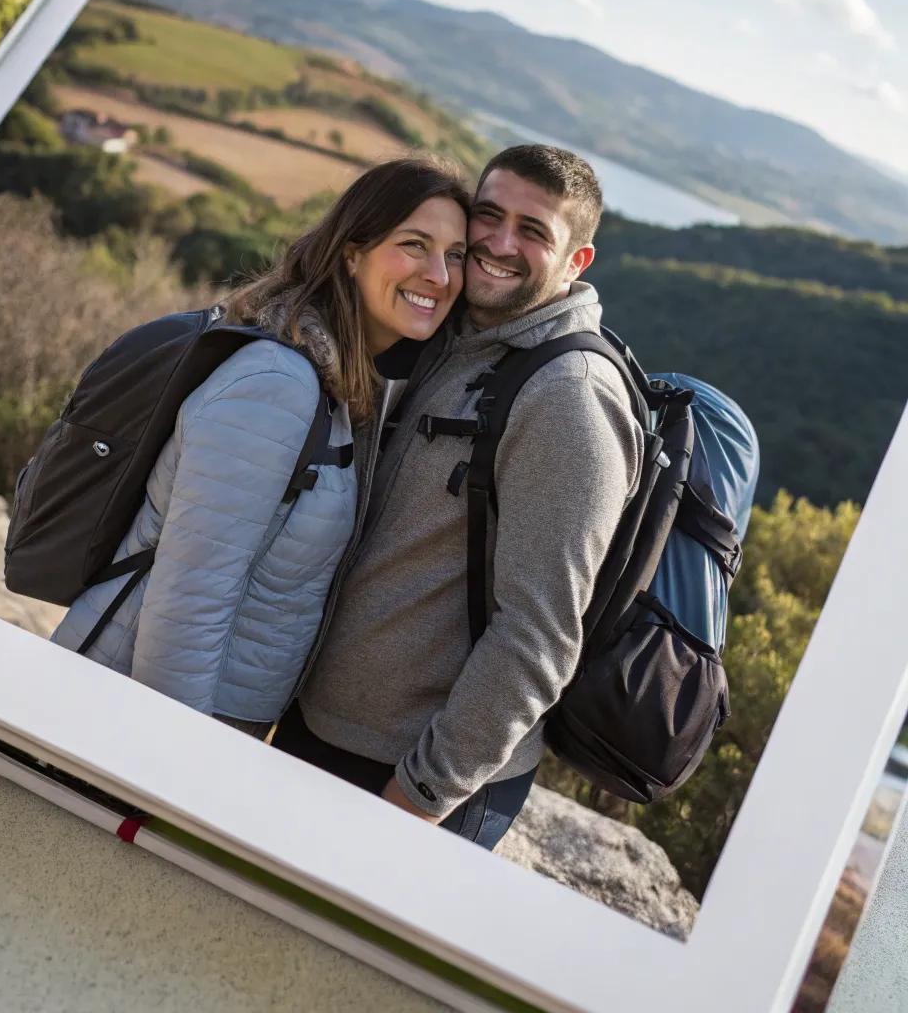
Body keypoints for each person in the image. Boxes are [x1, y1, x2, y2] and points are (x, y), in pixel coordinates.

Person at [273, 144, 644, 849]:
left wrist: (416, 799)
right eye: (489, 216)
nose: (501, 245)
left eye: (533, 232)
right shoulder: (454, 338)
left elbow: (536, 640)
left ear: (576, 262)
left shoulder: (569, 401)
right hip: (328, 732)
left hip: (408, 779)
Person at [51, 157, 469, 732]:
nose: (439, 276)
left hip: (212, 710)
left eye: (455, 256)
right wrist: (174, 757)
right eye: (415, 245)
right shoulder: (277, 385)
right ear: (352, 253)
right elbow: (191, 597)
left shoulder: (336, 386)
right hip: (133, 705)